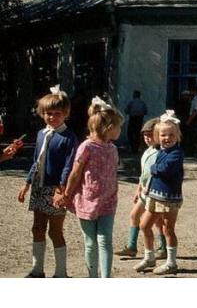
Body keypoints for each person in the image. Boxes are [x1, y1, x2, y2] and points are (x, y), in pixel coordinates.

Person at [53, 96, 123, 278]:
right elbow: (75, 173)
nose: (120, 130)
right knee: (91, 241)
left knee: (105, 239)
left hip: (108, 201)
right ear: (109, 128)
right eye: (119, 127)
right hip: (87, 200)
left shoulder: (113, 148)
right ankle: (92, 277)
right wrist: (66, 194)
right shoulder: (87, 147)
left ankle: (106, 278)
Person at [17, 85, 78, 278]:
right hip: (39, 187)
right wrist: (27, 183)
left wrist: (62, 190)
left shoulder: (68, 137)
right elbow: (37, 160)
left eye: (57, 113)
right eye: (48, 113)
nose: (52, 117)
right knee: (37, 228)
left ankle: (61, 273)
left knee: (55, 231)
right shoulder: (41, 134)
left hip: (56, 190)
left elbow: (69, 166)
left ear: (65, 114)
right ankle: (37, 270)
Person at [134, 110, 184, 275]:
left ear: (177, 136)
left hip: (169, 198)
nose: (166, 138)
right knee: (144, 225)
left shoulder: (176, 153)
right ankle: (149, 256)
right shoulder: (161, 151)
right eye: (163, 135)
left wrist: (154, 169)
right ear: (157, 136)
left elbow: (164, 169)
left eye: (171, 134)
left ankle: (171, 262)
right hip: (155, 195)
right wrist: (147, 186)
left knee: (168, 229)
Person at [114, 118, 167, 259]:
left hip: (154, 192)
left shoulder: (161, 154)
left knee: (157, 221)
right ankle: (131, 246)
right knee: (134, 215)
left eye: (150, 135)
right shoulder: (148, 152)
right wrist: (138, 189)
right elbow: (143, 173)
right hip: (144, 191)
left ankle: (163, 247)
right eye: (145, 135)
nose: (147, 138)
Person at [186, 85, 197, 152]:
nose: (190, 92)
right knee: (192, 134)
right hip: (194, 118)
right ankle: (195, 148)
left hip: (196, 118)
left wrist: (189, 120)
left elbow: (195, 111)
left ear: (194, 91)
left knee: (194, 134)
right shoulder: (193, 99)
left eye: (191, 91)